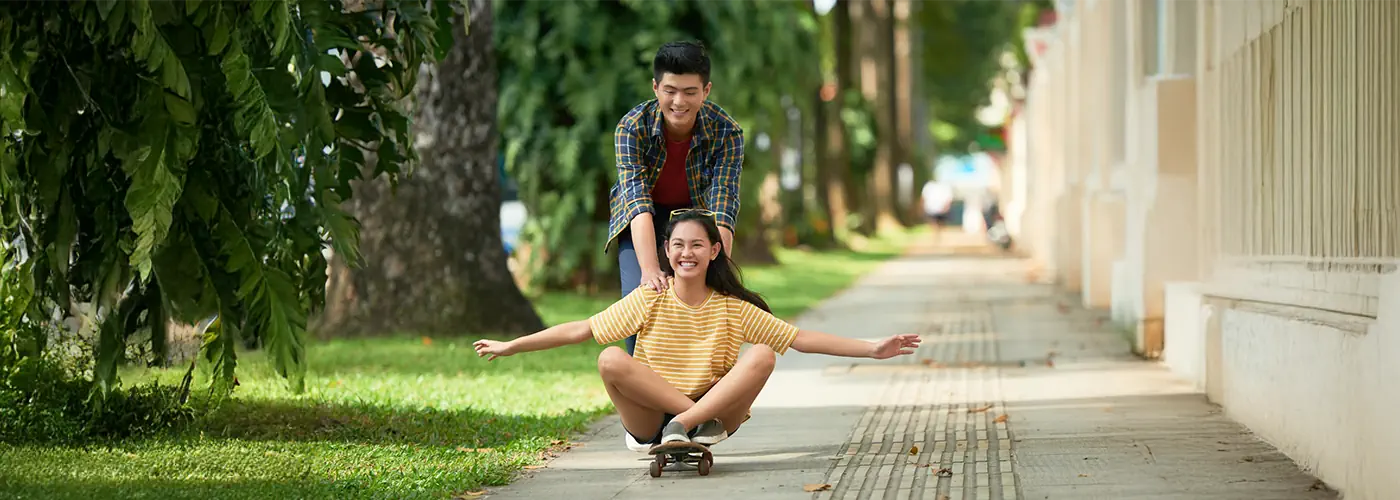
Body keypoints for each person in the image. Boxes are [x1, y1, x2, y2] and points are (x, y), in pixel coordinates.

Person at [473, 210, 922, 451]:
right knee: (610, 357)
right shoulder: (651, 296)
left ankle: (685, 424)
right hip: (652, 419)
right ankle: (681, 422)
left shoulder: (732, 308)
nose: (686, 253)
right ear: (666, 251)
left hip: (714, 421)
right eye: (678, 245)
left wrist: (872, 349)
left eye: (696, 245)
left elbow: (800, 339)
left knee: (763, 353)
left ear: (714, 252)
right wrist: (512, 346)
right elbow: (582, 330)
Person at [605, 41, 745, 356]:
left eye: (690, 92)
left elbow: (723, 204)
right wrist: (650, 271)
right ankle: (641, 382)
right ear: (656, 88)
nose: (679, 102)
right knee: (640, 301)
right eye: (670, 91)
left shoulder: (728, 132)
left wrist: (718, 270)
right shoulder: (632, 127)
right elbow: (636, 201)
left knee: (705, 300)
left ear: (706, 91)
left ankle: (696, 383)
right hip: (643, 219)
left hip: (693, 221)